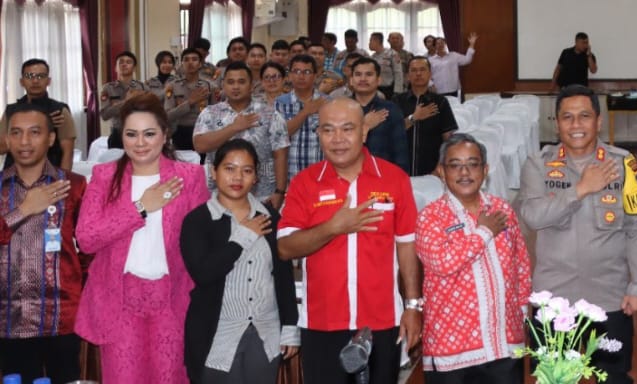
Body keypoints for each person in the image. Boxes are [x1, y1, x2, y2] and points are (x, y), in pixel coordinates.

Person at [515, 85, 637, 384]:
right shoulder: (538, 164)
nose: (576, 125)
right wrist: (580, 189)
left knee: (613, 377)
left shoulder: (623, 164)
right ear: (556, 122)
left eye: (584, 116)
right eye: (567, 117)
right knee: (554, 379)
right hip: (553, 297)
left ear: (598, 121)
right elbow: (532, 216)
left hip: (610, 297)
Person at [276, 98, 423, 384]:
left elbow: (407, 245)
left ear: (364, 132)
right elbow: (285, 248)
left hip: (382, 320)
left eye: (348, 129)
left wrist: (413, 306)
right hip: (322, 323)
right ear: (318, 135)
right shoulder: (304, 183)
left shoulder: (394, 180)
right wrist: (332, 227)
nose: (338, 139)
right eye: (328, 130)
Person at [75, 93, 211, 383]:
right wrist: (141, 207)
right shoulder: (104, 176)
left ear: (165, 135)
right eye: (131, 134)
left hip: (173, 297)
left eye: (149, 134)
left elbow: (203, 242)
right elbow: (86, 238)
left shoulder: (190, 177)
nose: (140, 143)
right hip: (119, 298)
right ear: (121, 137)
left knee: (171, 377)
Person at [180, 139, 299, 383]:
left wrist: (290, 326)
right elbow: (203, 273)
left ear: (255, 177)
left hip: (266, 333)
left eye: (247, 170)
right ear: (214, 171)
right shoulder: (198, 221)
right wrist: (243, 237)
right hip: (217, 334)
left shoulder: (270, 218)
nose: (237, 177)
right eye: (229, 168)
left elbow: (283, 277)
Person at [417, 134, 530, 382]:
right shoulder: (431, 217)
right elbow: (443, 262)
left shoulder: (503, 210)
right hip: (453, 352)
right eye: (455, 165)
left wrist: (520, 313)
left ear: (485, 169)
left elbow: (520, 264)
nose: (464, 172)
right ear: (441, 171)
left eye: (473, 164)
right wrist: (484, 232)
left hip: (503, 343)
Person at [0, 104, 88, 384]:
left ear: (50, 138)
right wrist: (24, 210)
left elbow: (90, 246)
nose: (24, 141)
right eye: (16, 133)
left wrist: (85, 293)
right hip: (8, 319)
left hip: (60, 317)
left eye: (34, 132)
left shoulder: (74, 185)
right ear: (7, 139)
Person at [193, 61, 289, 207]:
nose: (236, 87)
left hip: (262, 196)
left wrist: (280, 191)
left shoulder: (269, 114)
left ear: (251, 85)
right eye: (231, 82)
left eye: (241, 82)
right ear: (223, 85)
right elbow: (200, 145)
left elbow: (280, 155)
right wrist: (234, 128)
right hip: (218, 196)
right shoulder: (210, 113)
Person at [393, 57, 459, 176]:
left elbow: (448, 138)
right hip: (400, 170)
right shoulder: (397, 100)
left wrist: (441, 165)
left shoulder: (440, 102)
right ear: (407, 76)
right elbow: (392, 132)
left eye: (422, 70)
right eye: (413, 70)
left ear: (430, 74)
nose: (418, 74)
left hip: (432, 170)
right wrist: (414, 118)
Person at [6, 59, 74, 170]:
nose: (35, 81)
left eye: (40, 76)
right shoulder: (11, 111)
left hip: (50, 174)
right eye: (29, 76)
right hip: (13, 176)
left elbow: (68, 152)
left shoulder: (60, 111)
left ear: (48, 81)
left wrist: (62, 182)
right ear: (21, 81)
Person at [349, 57, 410, 171]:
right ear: (351, 80)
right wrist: (364, 125)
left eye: (369, 74)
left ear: (378, 80)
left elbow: (400, 152)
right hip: (347, 177)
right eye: (358, 74)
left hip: (383, 178)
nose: (363, 79)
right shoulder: (341, 109)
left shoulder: (390, 110)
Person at [277, 54, 330, 180]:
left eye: (307, 72)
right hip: (291, 175)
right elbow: (280, 134)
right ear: (289, 75)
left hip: (322, 174)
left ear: (315, 75)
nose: (301, 76)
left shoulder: (328, 102)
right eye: (296, 71)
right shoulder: (280, 103)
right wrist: (305, 112)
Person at [165, 48, 216, 153]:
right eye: (186, 59)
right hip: (180, 132)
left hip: (203, 132)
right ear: (182, 63)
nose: (190, 62)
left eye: (194, 59)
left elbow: (215, 113)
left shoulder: (209, 86)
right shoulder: (172, 86)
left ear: (200, 64)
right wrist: (190, 102)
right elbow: (167, 116)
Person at [101, 51, 150, 148]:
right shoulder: (108, 88)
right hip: (117, 134)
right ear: (115, 68)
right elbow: (104, 115)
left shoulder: (143, 88)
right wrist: (126, 101)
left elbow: (151, 111)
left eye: (128, 62)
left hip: (139, 132)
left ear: (134, 68)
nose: (124, 64)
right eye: (121, 62)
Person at [429, 33, 478, 98]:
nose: (440, 45)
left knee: (454, 107)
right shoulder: (430, 60)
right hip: (438, 90)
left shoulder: (454, 55)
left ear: (445, 44)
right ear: (434, 46)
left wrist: (472, 44)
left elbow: (467, 60)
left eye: (442, 42)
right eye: (438, 43)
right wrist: (430, 84)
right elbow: (427, 75)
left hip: (453, 89)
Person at [368, 32, 406, 97]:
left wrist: (397, 92)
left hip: (389, 89)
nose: (369, 43)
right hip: (376, 89)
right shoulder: (372, 57)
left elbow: (398, 73)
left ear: (377, 41)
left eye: (370, 40)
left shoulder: (392, 54)